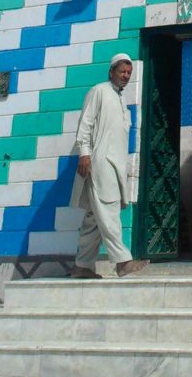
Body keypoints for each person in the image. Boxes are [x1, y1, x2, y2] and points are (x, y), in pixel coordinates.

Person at [70, 52, 147, 278]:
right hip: (100, 162)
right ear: (111, 71)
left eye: (129, 73)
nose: (126, 76)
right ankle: (123, 262)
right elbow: (85, 124)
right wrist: (84, 153)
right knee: (109, 210)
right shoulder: (99, 92)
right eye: (122, 71)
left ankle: (81, 266)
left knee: (94, 218)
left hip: (115, 164)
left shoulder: (120, 99)